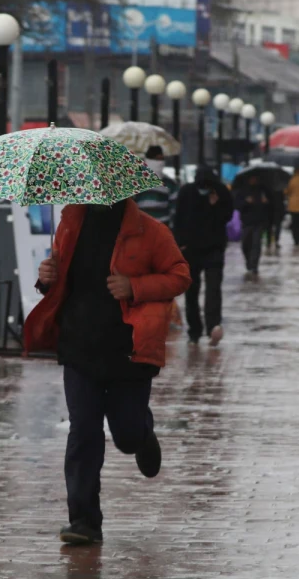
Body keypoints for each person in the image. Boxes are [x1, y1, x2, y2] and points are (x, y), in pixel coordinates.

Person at [25, 197, 191, 547]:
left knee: (126, 434)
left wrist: (135, 287)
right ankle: (84, 520)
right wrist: (46, 277)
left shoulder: (149, 231)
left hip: (129, 350)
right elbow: (60, 279)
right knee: (83, 431)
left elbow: (179, 276)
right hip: (79, 346)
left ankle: (142, 432)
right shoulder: (70, 223)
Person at [174, 166, 233, 345]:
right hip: (191, 250)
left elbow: (227, 217)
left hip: (213, 249)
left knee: (213, 289)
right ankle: (195, 330)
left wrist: (215, 205)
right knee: (192, 291)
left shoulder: (221, 192)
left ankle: (213, 325)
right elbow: (179, 218)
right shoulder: (187, 192)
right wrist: (179, 242)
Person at [233, 174, 271, 278]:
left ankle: (254, 266)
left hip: (259, 222)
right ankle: (248, 262)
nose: (254, 179)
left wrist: (266, 202)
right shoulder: (243, 191)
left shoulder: (263, 190)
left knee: (256, 244)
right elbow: (237, 205)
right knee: (246, 244)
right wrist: (246, 201)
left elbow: (271, 205)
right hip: (247, 222)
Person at [133, 145, 178, 227]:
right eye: (156, 159)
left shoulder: (169, 183)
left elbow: (174, 207)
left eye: (162, 159)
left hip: (162, 226)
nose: (160, 162)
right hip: (141, 226)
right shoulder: (137, 181)